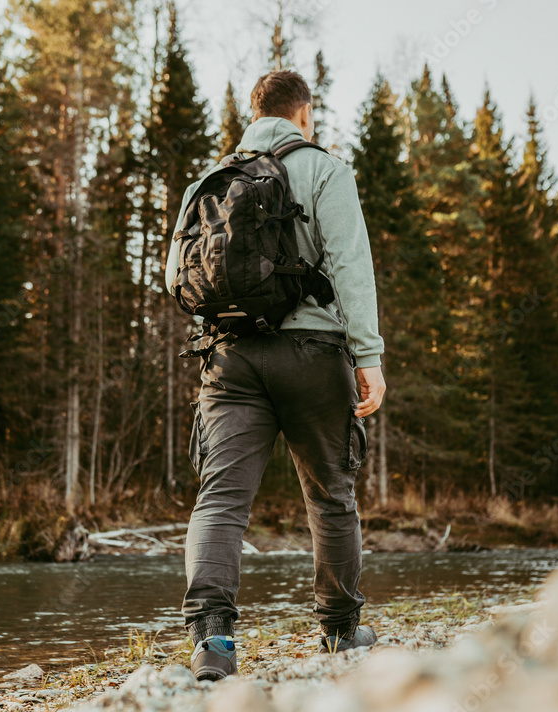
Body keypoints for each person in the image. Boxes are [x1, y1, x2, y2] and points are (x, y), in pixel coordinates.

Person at [164, 69, 386, 681]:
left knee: (222, 499)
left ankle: (213, 640)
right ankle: (341, 631)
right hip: (312, 354)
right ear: (303, 115)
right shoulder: (325, 169)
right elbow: (350, 266)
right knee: (330, 495)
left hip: (228, 358)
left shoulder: (206, 183)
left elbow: (171, 279)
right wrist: (369, 358)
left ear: (252, 113)